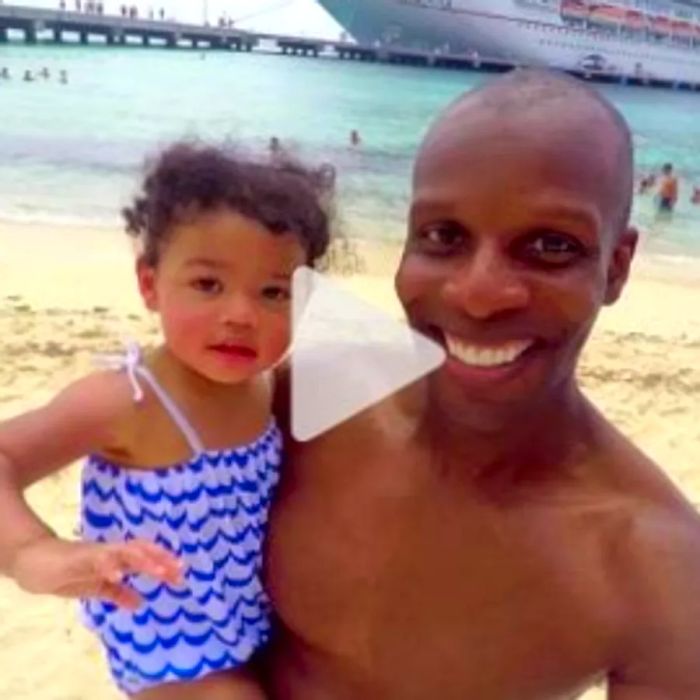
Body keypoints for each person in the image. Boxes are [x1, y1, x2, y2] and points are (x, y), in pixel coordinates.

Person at [264, 69, 700, 698]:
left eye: (550, 245)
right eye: (443, 237)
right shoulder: (312, 398)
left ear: (616, 267)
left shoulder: (651, 566)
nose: (479, 293)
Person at [0, 143, 332, 699]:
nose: (241, 316)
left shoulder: (267, 384)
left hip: (251, 626)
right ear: (150, 284)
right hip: (170, 655)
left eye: (274, 292)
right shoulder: (125, 401)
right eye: (208, 284)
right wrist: (30, 551)